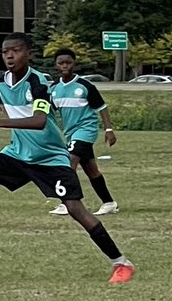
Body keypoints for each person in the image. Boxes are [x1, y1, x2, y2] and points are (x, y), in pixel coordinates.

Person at [0, 33, 134, 284]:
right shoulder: (0, 81)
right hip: (17, 155)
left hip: (50, 158)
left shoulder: (38, 83)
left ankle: (121, 263)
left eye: (15, 50)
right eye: (5, 51)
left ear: (28, 52)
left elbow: (39, 121)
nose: (9, 55)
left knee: (75, 209)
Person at [48, 48, 120, 217]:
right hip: (70, 133)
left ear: (74, 64)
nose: (65, 66)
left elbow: (101, 107)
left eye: (68, 62)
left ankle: (67, 203)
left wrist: (109, 129)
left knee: (68, 164)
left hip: (86, 130)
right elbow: (49, 113)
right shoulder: (54, 89)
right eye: (61, 63)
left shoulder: (85, 86)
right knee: (91, 170)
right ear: (56, 65)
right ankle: (109, 203)